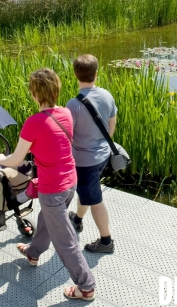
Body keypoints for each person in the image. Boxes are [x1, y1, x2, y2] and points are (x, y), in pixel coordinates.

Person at [0, 68, 96, 301]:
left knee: (65, 240)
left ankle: (86, 286)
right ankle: (33, 253)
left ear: (34, 93)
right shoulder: (66, 114)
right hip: (70, 182)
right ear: (56, 89)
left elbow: (16, 160)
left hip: (53, 188)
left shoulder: (34, 122)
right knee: (48, 219)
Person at [66, 55, 117, 253]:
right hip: (103, 156)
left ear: (75, 75)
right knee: (87, 191)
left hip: (84, 161)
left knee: (95, 200)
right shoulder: (106, 95)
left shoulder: (73, 104)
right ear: (96, 73)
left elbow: (68, 135)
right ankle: (77, 220)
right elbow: (112, 123)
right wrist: (102, 143)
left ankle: (106, 242)